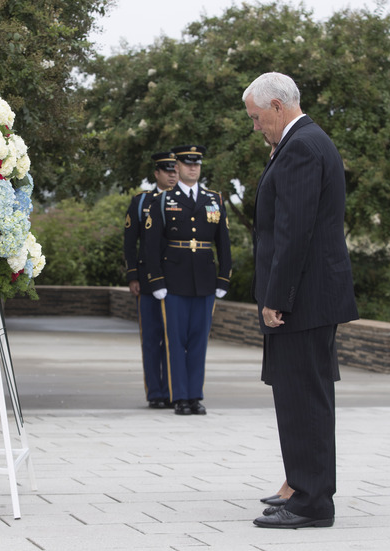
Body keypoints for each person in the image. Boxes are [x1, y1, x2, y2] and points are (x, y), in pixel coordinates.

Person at [244, 72, 358, 529]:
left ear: (276, 107)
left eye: (256, 118)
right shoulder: (303, 143)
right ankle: (301, 484)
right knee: (298, 395)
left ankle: (311, 502)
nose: (255, 127)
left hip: (304, 298)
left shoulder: (303, 147)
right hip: (309, 295)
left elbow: (294, 231)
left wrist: (277, 297)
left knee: (304, 399)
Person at [144, 145, 231, 416]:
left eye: (197, 164)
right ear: (178, 167)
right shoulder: (163, 200)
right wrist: (156, 281)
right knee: (175, 340)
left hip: (204, 280)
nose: (193, 168)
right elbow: (151, 245)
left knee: (198, 341)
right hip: (174, 280)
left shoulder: (213, 199)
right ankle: (180, 396)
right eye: (187, 164)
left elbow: (224, 243)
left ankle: (195, 395)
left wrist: (224, 277)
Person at [123, 152, 178, 409]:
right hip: (147, 281)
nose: (172, 174)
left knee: (174, 338)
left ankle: (173, 390)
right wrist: (133, 275)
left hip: (177, 281)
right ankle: (156, 393)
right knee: (152, 338)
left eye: (175, 170)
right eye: (167, 170)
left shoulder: (186, 201)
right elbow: (129, 242)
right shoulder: (142, 202)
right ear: (156, 173)